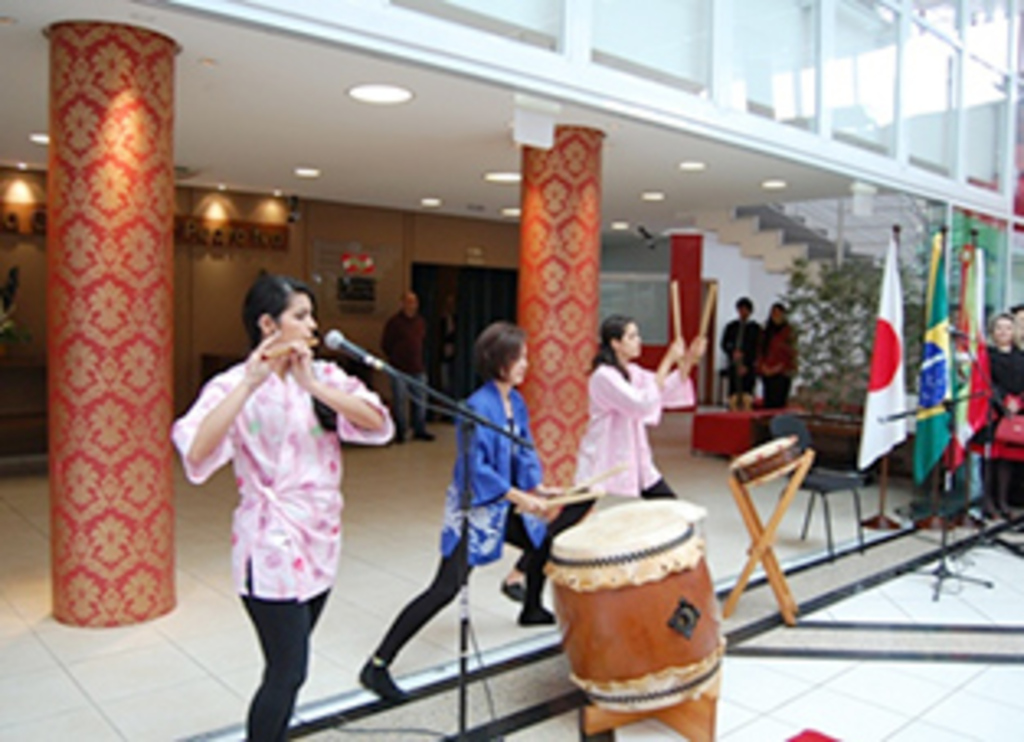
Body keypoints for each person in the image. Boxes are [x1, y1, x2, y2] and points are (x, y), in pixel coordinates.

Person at [171, 274, 393, 742]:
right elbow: (195, 451)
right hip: (269, 542)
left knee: (291, 664)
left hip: (322, 536)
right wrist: (249, 385)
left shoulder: (325, 376)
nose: (313, 325)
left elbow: (378, 422)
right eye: (301, 316)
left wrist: (313, 385)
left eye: (311, 314)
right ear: (267, 324)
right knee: (288, 670)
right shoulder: (231, 385)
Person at [360, 321, 558, 702]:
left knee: (543, 539)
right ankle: (378, 663)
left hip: (505, 503)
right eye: (519, 357)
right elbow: (475, 470)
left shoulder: (515, 402)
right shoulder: (474, 407)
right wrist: (521, 497)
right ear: (498, 361)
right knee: (445, 588)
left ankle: (531, 607)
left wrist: (536, 488)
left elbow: (524, 450)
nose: (525, 364)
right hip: (476, 507)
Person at [500, 314, 706, 601]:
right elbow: (641, 403)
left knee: (673, 509)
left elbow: (665, 389)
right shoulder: (603, 377)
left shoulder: (631, 372)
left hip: (634, 460)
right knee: (564, 524)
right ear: (615, 343)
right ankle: (520, 577)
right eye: (632, 336)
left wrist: (690, 360)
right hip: (601, 461)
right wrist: (670, 359)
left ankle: (682, 579)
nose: (639, 341)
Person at [976, 313, 1024, 519]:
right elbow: (985, 381)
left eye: (1008, 328)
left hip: (1016, 415)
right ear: (992, 332)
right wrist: (1003, 400)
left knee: (1007, 459)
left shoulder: (1021, 357)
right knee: (990, 459)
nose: (1004, 332)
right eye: (999, 328)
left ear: (1014, 332)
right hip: (992, 412)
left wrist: (1018, 402)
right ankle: (987, 502)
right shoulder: (986, 355)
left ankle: (1003, 501)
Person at [381, 291, 434, 442]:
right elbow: (386, 344)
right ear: (402, 304)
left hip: (418, 368)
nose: (411, 305)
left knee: (420, 401)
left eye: (414, 302)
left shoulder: (420, 322)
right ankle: (401, 431)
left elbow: (424, 343)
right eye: (408, 302)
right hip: (398, 369)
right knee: (400, 401)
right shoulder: (394, 323)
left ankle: (419, 429)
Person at [720, 297, 760, 411]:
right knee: (733, 392)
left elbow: (757, 348)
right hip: (734, 364)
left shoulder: (755, 328)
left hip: (749, 365)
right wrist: (732, 352)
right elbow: (724, 344)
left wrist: (747, 362)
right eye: (740, 310)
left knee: (747, 392)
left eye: (745, 310)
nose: (743, 312)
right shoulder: (731, 327)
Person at [757, 302, 797, 409]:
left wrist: (779, 367)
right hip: (767, 371)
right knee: (768, 403)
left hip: (782, 372)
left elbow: (792, 352)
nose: (776, 316)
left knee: (779, 403)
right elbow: (760, 350)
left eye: (779, 313)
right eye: (774, 313)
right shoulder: (765, 331)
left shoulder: (789, 331)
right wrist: (763, 366)